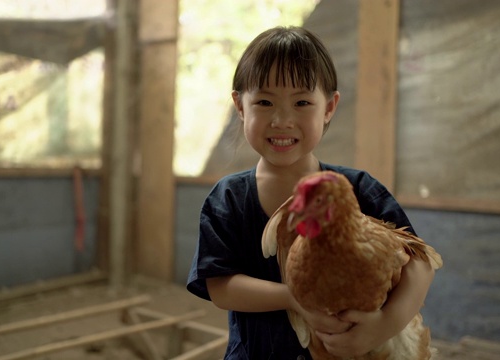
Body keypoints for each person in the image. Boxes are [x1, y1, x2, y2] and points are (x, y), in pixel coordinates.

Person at [186, 26, 435, 359]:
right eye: (264, 101)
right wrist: (293, 297)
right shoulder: (228, 198)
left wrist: (385, 324)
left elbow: (419, 265)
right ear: (240, 106)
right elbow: (220, 286)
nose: (283, 119)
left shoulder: (359, 189)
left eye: (302, 102)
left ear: (329, 107)